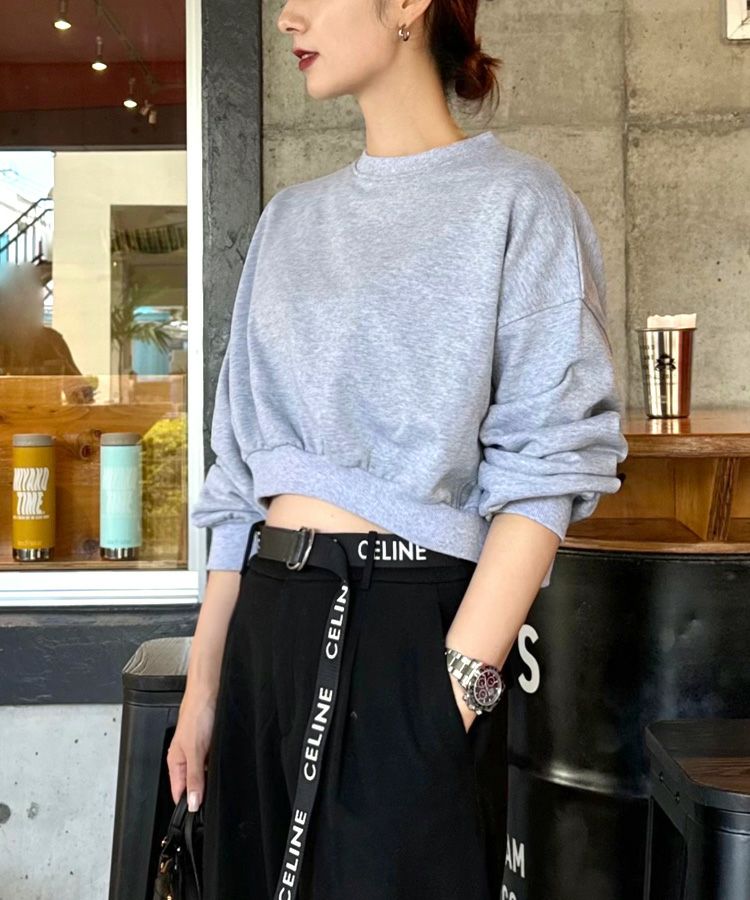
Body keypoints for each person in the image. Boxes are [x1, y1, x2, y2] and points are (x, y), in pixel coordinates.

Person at [169, 0, 629, 896]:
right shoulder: (288, 221)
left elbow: (549, 462)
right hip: (267, 621)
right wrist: (204, 687)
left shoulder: (519, 203)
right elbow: (237, 480)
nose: (287, 16)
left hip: (409, 627)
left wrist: (452, 695)